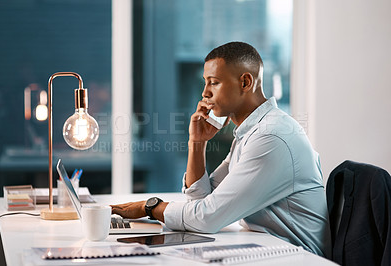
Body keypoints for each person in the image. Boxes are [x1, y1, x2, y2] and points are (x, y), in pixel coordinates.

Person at [111, 41, 331, 257]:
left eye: (214, 82)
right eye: (205, 82)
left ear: (245, 82)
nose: (205, 93)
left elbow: (206, 218)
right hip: (269, 250)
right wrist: (197, 143)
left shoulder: (271, 137)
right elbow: (202, 202)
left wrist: (149, 208)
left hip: (299, 258)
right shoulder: (251, 133)